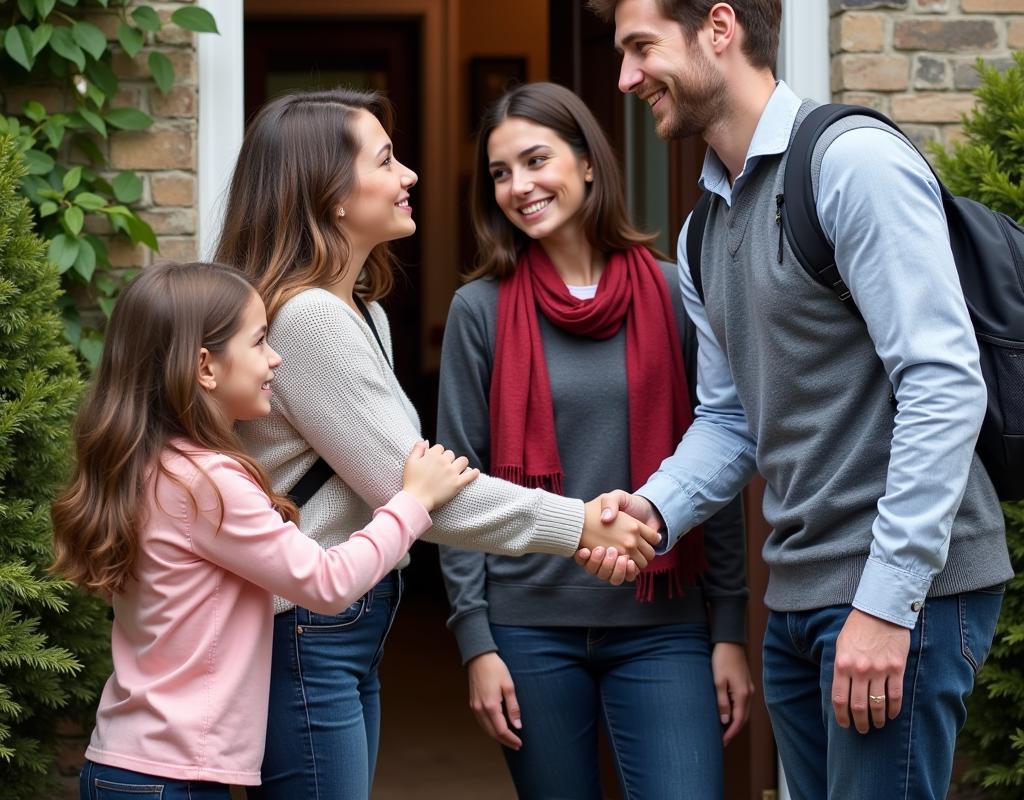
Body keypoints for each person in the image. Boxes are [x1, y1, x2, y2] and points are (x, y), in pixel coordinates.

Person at [577, 0, 1013, 800]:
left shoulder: (849, 165)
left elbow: (942, 382)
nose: (625, 80)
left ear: (719, 29)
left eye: (640, 48)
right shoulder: (704, 231)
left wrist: (888, 605)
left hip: (903, 594)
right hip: (800, 599)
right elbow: (734, 418)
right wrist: (654, 509)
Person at [213, 87, 659, 800]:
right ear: (331, 196)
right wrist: (579, 523)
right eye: (387, 159)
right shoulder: (311, 322)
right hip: (309, 633)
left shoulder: (360, 313)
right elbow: (424, 498)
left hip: (342, 627)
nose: (410, 176)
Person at [51, 261, 480, 800]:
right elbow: (327, 583)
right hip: (171, 779)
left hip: (127, 764)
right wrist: (412, 501)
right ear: (206, 367)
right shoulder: (208, 484)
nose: (275, 357)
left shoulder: (151, 466)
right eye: (258, 343)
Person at [436, 81, 752, 799]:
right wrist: (475, 643)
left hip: (661, 622)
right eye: (500, 173)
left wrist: (727, 629)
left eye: (535, 160)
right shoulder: (478, 312)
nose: (519, 186)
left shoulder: (677, 293)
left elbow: (715, 460)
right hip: (527, 628)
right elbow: (455, 489)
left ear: (586, 162)